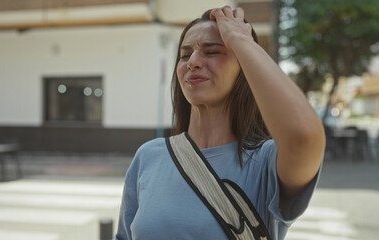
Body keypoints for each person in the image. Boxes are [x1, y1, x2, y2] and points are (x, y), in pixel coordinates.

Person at [115, 6, 325, 240]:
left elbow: (304, 136)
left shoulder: (266, 162)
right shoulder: (149, 156)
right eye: (185, 55)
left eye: (212, 52)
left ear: (245, 68)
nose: (193, 62)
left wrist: (239, 39)